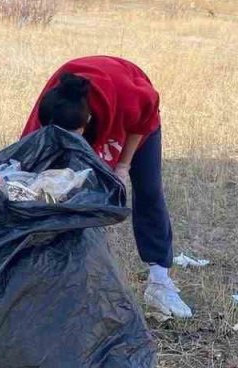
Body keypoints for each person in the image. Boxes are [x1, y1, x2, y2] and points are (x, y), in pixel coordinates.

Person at [22, 57, 192, 321]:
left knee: (149, 191)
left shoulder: (130, 98)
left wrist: (123, 165)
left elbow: (146, 113)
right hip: (84, 116)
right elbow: (27, 164)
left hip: (139, 123)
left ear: (87, 122)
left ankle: (160, 281)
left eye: (71, 139)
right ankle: (61, 273)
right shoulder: (51, 106)